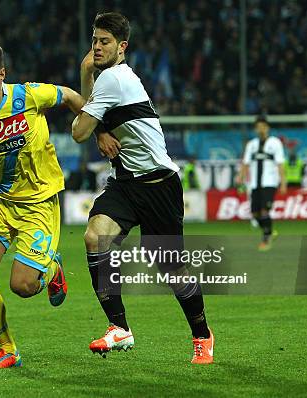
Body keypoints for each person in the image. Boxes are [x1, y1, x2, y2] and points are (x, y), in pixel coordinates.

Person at [71, 12, 214, 364]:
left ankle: (202, 334)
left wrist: (96, 121)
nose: (97, 47)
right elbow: (91, 121)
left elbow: (79, 130)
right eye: (94, 41)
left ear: (122, 47)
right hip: (125, 184)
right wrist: (86, 72)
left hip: (157, 184)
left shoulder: (116, 79)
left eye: (105, 42)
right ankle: (119, 328)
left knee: (170, 269)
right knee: (95, 236)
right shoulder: (105, 79)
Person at [0, 41, 85, 368]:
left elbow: (69, 95)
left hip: (39, 203)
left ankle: (52, 269)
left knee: (22, 286)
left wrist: (94, 127)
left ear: (1, 74)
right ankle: (8, 350)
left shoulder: (29, 95)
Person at [237, 115, 287, 251]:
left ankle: (266, 240)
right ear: (255, 129)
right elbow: (245, 163)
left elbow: (280, 164)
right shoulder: (251, 145)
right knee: (254, 214)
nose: (261, 129)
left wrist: (283, 182)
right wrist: (240, 177)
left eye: (263, 127)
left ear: (268, 128)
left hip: (269, 182)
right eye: (258, 127)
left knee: (265, 210)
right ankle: (269, 230)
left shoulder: (275, 143)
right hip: (254, 184)